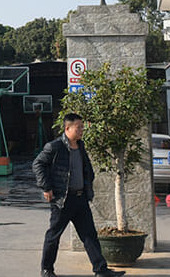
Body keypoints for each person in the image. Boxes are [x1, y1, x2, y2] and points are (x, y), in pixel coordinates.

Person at [32, 113, 124, 277]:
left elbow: (86, 168)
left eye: (82, 127)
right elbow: (37, 164)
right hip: (62, 200)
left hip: (80, 199)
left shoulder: (80, 146)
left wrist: (89, 184)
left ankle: (100, 270)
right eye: (78, 127)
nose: (82, 130)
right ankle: (47, 270)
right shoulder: (54, 147)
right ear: (67, 128)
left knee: (89, 235)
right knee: (54, 236)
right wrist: (46, 187)